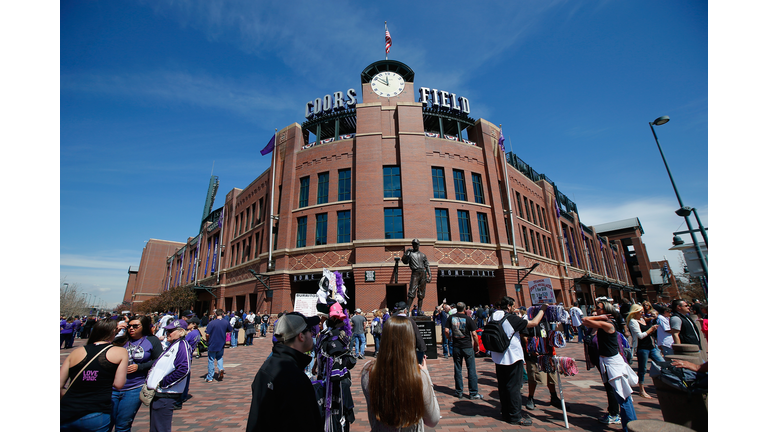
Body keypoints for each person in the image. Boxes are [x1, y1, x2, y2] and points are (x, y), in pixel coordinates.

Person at [246, 311, 323, 431]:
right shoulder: (295, 378)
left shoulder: (266, 368)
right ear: (301, 336)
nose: (312, 334)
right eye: (309, 330)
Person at [361, 316, 440, 431]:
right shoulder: (419, 376)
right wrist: (426, 374)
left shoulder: (367, 371)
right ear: (411, 339)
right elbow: (433, 420)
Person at [488, 296, 547, 426]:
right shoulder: (511, 318)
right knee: (514, 388)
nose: (514, 308)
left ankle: (505, 412)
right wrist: (543, 309)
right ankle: (515, 416)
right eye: (513, 306)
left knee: (503, 387)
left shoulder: (492, 316)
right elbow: (533, 323)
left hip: (498, 356)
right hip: (512, 357)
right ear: (508, 306)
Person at [61, 319, 129, 432]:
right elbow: (119, 384)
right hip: (96, 410)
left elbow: (59, 384)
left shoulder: (76, 352)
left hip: (68, 410)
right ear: (114, 332)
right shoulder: (120, 352)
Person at [583, 301, 638, 431]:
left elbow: (585, 320)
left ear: (606, 311)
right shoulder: (605, 325)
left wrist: (600, 317)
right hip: (608, 362)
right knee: (623, 398)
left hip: (614, 364)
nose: (595, 310)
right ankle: (629, 426)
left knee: (624, 399)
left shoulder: (607, 324)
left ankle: (631, 427)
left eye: (599, 309)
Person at [111, 315, 164, 432]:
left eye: (135, 326)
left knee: (123, 424)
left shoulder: (151, 340)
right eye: (129, 326)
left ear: (143, 326)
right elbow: (99, 346)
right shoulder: (119, 340)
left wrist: (140, 367)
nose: (131, 329)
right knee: (106, 423)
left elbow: (159, 360)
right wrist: (115, 331)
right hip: (112, 387)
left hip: (134, 387)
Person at [314, 303, 358, 431]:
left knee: (336, 414)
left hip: (334, 380)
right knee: (334, 414)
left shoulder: (331, 336)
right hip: (331, 381)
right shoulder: (330, 336)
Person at [145, 319, 191, 432]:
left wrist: (163, 383)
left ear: (181, 331)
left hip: (166, 394)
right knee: (155, 427)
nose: (168, 334)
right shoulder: (172, 345)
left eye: (171, 331)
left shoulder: (182, 345)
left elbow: (184, 369)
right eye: (167, 331)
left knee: (160, 428)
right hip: (159, 393)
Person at [446, 301, 482, 400]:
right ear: (464, 309)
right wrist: (477, 345)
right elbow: (474, 334)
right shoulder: (468, 319)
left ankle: (459, 392)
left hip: (456, 346)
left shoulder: (451, 318)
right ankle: (473, 393)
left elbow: (446, 330)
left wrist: (449, 338)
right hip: (467, 346)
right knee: (471, 369)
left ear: (456, 308)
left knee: (458, 369)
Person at [626, 304, 663, 399]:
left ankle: (665, 383)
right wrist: (651, 329)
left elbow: (647, 332)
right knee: (642, 368)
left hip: (651, 346)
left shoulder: (642, 320)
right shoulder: (633, 322)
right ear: (635, 312)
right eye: (641, 312)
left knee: (662, 363)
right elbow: (640, 336)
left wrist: (653, 328)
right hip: (642, 348)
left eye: (643, 312)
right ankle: (641, 389)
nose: (643, 313)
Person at [174, 316, 202, 410]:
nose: (187, 325)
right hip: (189, 356)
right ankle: (184, 395)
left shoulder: (191, 333)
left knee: (181, 377)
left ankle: (179, 398)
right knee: (186, 376)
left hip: (184, 356)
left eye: (189, 323)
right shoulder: (197, 332)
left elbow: (182, 342)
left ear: (194, 324)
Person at [402, 239, 431, 315]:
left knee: (421, 293)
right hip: (415, 273)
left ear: (419, 245)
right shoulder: (410, 254)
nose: (415, 245)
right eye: (414, 244)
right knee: (411, 292)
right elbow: (404, 261)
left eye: (416, 244)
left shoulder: (423, 255)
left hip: (423, 274)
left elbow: (427, 265)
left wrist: (430, 275)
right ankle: (407, 310)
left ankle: (419, 310)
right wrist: (406, 252)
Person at [204, 309, 233, 382]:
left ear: (215, 314)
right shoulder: (226, 322)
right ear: (223, 314)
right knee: (219, 357)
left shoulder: (212, 323)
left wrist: (207, 339)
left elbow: (207, 334)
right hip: (221, 343)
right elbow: (230, 330)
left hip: (212, 343)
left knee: (211, 360)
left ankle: (210, 377)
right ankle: (221, 368)